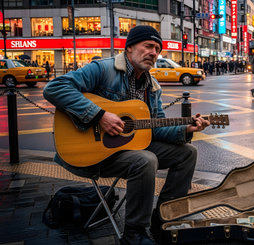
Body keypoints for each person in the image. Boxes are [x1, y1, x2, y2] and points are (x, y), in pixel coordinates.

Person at [43, 25, 210, 245]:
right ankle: (134, 233)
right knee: (145, 160)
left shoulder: (152, 86)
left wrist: (187, 129)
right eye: (148, 46)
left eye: (157, 50)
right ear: (129, 47)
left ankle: (164, 218)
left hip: (127, 151)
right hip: (93, 154)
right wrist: (99, 115)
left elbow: (156, 126)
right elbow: (54, 88)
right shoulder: (103, 69)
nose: (153, 53)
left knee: (188, 152)